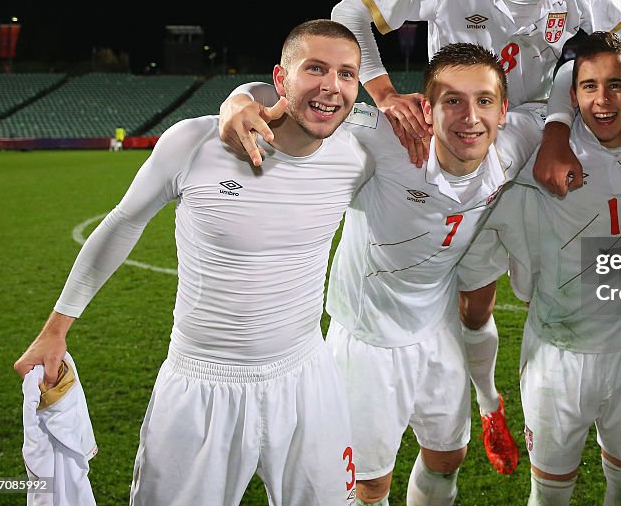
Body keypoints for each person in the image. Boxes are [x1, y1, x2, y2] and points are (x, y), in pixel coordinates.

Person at [324, 0, 621, 474]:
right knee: (469, 297)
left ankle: (574, 385)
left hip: (524, 135)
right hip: (466, 136)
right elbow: (348, 16)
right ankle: (489, 401)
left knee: (537, 288)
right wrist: (385, 94)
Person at [14, 19, 372, 506]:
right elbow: (122, 224)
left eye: (347, 74)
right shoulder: (194, 143)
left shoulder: (357, 154)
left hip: (307, 376)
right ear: (280, 78)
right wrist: (56, 327)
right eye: (316, 68)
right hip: (202, 384)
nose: (332, 86)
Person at [219, 43, 544, 505]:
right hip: (367, 337)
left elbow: (564, 108)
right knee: (369, 483)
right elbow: (293, 99)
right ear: (425, 110)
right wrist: (237, 100)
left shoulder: (515, 141)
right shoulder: (385, 137)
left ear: (503, 109)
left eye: (484, 101)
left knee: (448, 456)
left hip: (437, 328)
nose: (470, 116)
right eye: (452, 100)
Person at [456, 32, 621, 505]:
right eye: (589, 87)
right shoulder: (541, 143)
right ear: (573, 96)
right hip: (559, 353)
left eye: (616, 86)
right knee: (549, 497)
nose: (603, 100)